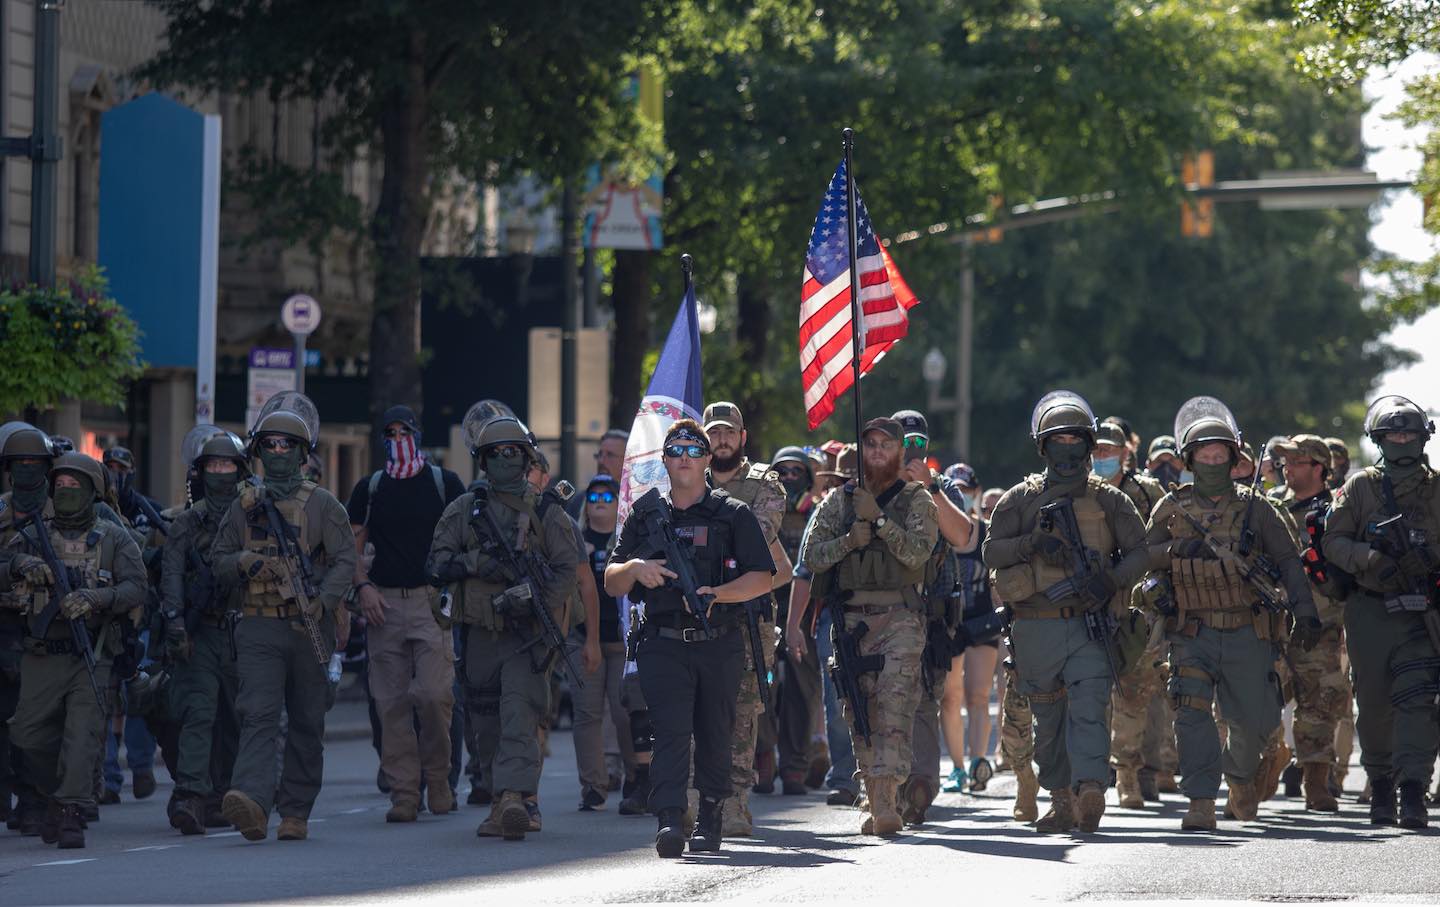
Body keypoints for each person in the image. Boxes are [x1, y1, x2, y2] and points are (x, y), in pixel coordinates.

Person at [1141, 396, 1322, 832]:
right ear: (1189, 458)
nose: (1212, 460)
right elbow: (1141, 563)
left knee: (1256, 723)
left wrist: (1305, 612)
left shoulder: (1257, 508)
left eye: (1220, 454)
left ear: (1234, 458)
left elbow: (1288, 562)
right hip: (1191, 632)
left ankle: (1241, 777)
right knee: (1191, 714)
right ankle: (1201, 800)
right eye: (1204, 454)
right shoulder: (1170, 508)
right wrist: (1167, 563)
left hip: (1248, 631)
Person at [605, 418, 774, 857]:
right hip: (663, 641)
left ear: (706, 459)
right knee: (670, 732)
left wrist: (720, 594)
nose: (684, 457)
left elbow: (762, 577)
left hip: (719, 639)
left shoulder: (732, 514)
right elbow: (610, 580)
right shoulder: (645, 514)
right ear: (663, 459)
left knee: (715, 732)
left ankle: (712, 817)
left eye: (693, 450)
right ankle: (668, 819)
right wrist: (636, 569)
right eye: (675, 450)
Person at [984, 391, 1147, 834]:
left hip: (1090, 623)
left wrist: (1110, 580)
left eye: (1078, 439)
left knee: (1090, 707)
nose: (1069, 447)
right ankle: (1059, 798)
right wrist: (1030, 544)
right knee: (1048, 720)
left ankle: (1090, 787)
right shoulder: (1019, 499)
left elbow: (1143, 552)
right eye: (1059, 439)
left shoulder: (1110, 501)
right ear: (1043, 446)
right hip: (1036, 627)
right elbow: (990, 551)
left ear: (1090, 445)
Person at [426, 414, 578, 841]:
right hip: (479, 633)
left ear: (528, 457)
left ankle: (515, 795)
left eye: (514, 453)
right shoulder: (463, 510)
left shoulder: (547, 511)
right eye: (496, 453)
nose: (506, 460)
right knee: (485, 718)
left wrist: (536, 601)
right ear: (482, 461)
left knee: (519, 712)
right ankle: (503, 800)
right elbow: (436, 565)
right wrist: (477, 563)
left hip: (528, 635)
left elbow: (569, 568)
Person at [213, 399, 357, 842]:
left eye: (286, 445)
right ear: (258, 451)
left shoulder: (323, 505)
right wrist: (245, 562)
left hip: (308, 626)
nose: (277, 452)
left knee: (307, 720)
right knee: (256, 713)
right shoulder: (243, 507)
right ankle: (252, 801)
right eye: (270, 444)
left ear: (301, 452)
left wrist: (324, 599)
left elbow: (346, 560)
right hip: (258, 625)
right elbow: (217, 560)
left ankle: (295, 810)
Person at [801, 416, 939, 837]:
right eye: (871, 444)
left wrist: (879, 521)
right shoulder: (840, 502)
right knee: (859, 714)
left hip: (899, 619)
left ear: (899, 451)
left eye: (885, 444)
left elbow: (918, 553)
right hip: (851, 622)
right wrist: (850, 540)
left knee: (895, 709)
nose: (877, 451)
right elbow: (812, 555)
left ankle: (885, 800)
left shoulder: (917, 499)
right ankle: (877, 794)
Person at [2, 453, 147, 848]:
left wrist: (97, 597)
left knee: (82, 734)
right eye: (60, 486)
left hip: (91, 652)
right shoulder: (32, 534)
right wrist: (20, 563)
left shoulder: (115, 538)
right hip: (41, 652)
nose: (66, 493)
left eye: (74, 486)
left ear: (92, 492)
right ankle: (54, 793)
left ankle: (69, 809)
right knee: (28, 733)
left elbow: (138, 587)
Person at [1320, 395, 1440, 829]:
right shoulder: (1360, 487)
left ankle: (1412, 790)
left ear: (1423, 437)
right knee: (1372, 706)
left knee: (1417, 701)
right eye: (1393, 434)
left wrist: (1427, 559)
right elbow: (1332, 542)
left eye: (1409, 433)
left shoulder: (1437, 487)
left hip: (1421, 613)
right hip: (1370, 611)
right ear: (1379, 439)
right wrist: (1372, 558)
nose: (1402, 440)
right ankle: (1381, 786)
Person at [347, 405, 466, 824]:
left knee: (435, 696)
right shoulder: (372, 487)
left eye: (405, 430)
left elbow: (464, 538)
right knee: (390, 703)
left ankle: (438, 779)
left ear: (417, 434)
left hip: (429, 603)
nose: (398, 437)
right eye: (390, 432)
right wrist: (362, 588)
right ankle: (403, 792)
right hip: (383, 604)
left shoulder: (443, 483)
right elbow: (352, 546)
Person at [699, 401, 789, 836]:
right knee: (696, 705)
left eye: (728, 432)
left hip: (747, 618)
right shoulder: (685, 479)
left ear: (742, 437)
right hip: (697, 612)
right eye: (713, 432)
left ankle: (734, 803)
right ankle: (698, 800)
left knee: (741, 712)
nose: (721, 440)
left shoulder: (764, 485)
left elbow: (755, 538)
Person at [157, 428, 249, 835]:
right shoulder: (186, 524)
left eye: (227, 464)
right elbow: (171, 576)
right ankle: (191, 795)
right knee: (199, 711)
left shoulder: (254, 517)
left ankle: (224, 794)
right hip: (202, 632)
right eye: (212, 465)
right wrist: (176, 623)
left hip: (246, 631)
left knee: (235, 716)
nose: (220, 472)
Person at [889, 410, 974, 826]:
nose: (909, 451)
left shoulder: (940, 490)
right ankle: (884, 788)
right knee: (880, 701)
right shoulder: (872, 487)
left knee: (924, 700)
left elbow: (963, 536)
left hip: (931, 617)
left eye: (918, 444)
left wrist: (931, 488)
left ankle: (920, 785)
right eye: (901, 441)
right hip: (882, 613)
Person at [1270, 433, 1352, 813]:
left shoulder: (1337, 510)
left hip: (1319, 623)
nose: (1286, 467)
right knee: (1258, 701)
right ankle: (1256, 773)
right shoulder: (1269, 507)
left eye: (1296, 461)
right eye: (1283, 461)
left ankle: (1316, 783)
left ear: (1319, 468)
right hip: (1269, 623)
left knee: (1319, 703)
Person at [1092, 422, 1171, 810]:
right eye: (1098, 451)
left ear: (1126, 453)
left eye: (1110, 451)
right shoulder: (1081, 493)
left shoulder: (1149, 493)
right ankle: (1093, 772)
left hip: (1139, 605)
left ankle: (1129, 773)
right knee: (1092, 690)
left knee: (1136, 690)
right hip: (1092, 602)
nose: (1102, 458)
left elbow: (1165, 544)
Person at [0, 422, 57, 832]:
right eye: (18, 463)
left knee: (33, 721)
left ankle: (37, 798)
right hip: (3, 625)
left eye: (34, 462)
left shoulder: (67, 510)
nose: (26, 469)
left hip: (45, 629)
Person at [938, 463, 1000, 797]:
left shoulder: (986, 532)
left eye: (966, 490)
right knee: (950, 698)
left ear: (976, 493)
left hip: (981, 620)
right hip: (948, 624)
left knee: (977, 695)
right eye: (954, 490)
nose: (960, 496)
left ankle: (979, 761)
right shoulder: (935, 531)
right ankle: (958, 769)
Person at [573, 475, 633, 811]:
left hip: (621, 640)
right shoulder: (575, 538)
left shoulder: (628, 538)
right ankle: (593, 787)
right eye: (593, 495)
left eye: (608, 496)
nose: (600, 500)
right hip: (583, 638)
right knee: (586, 714)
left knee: (624, 711)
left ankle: (635, 774)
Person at [773, 446, 827, 796]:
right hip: (762, 604)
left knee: (800, 690)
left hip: (804, 611)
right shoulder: (762, 511)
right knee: (759, 689)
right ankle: (763, 759)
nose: (790, 478)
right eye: (783, 472)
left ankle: (795, 765)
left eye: (797, 471)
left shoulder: (817, 514)